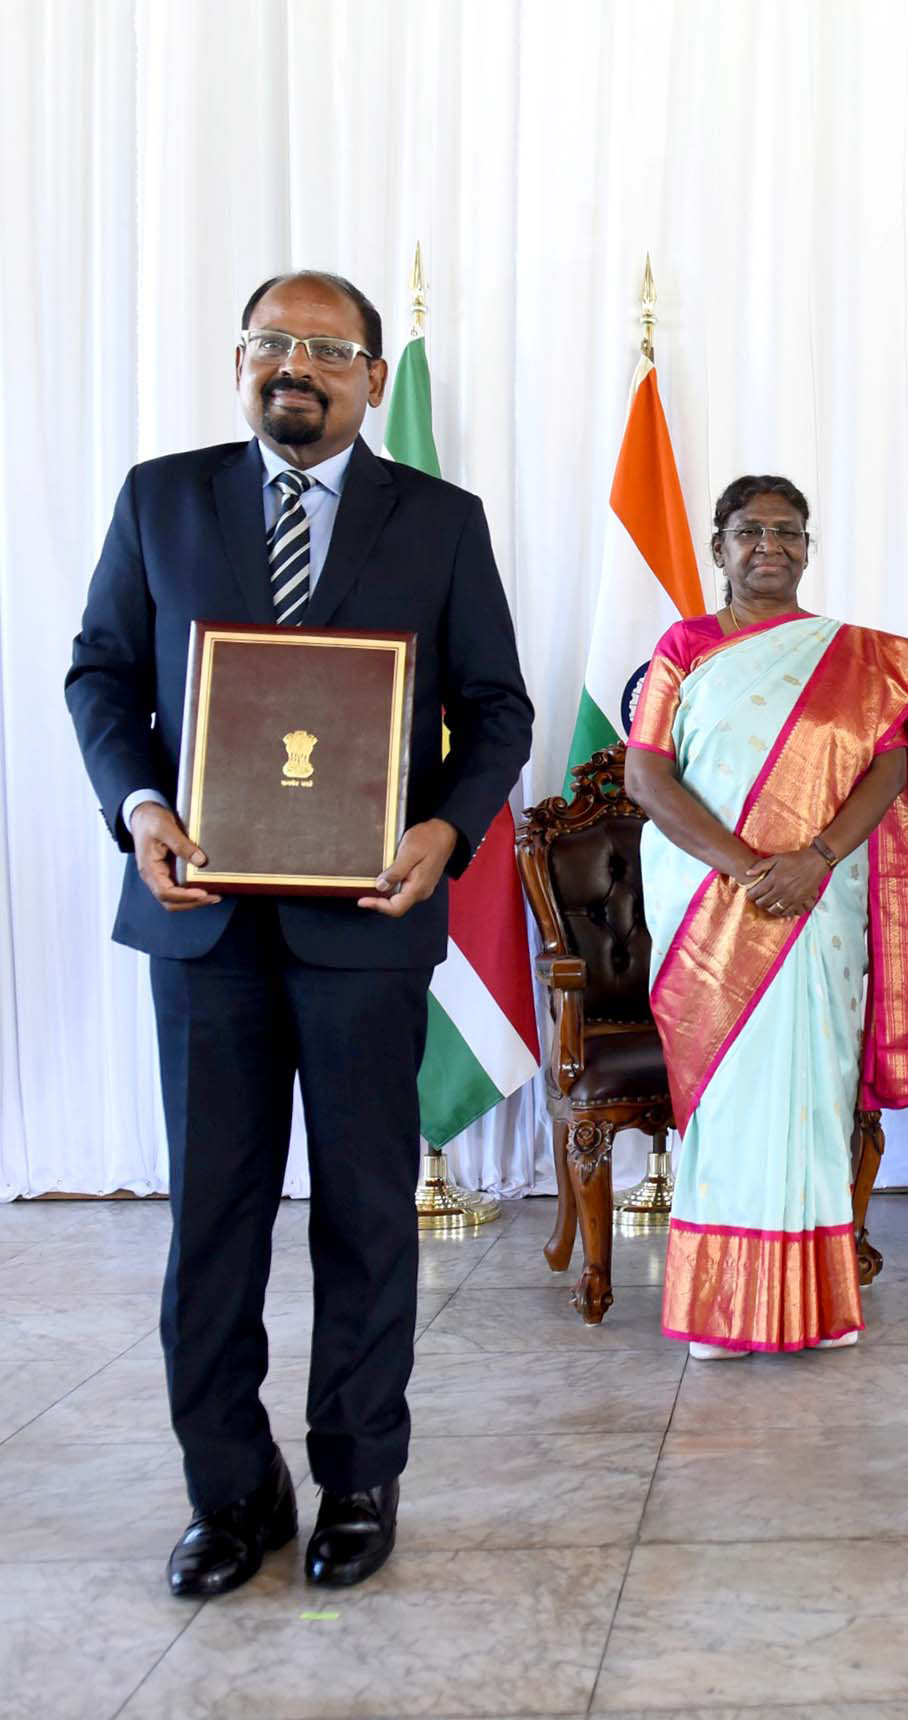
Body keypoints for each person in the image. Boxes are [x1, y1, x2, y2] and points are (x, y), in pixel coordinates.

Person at [64, 270, 534, 1592]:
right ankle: (231, 1492)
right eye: (274, 342)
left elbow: (497, 709)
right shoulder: (161, 499)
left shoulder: (440, 521)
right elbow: (100, 673)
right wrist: (140, 808)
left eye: (327, 349)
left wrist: (444, 830)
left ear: (373, 379)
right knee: (212, 1221)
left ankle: (359, 1478)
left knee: (369, 1216)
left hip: (367, 931)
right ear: (239, 362)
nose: (297, 366)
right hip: (201, 924)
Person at [624, 475, 908, 1357]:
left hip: (819, 907)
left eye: (787, 530)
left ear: (808, 547)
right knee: (729, 1101)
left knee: (813, 1098)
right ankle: (721, 1311)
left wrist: (816, 860)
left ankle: (818, 1306)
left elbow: (887, 767)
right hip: (713, 907)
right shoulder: (683, 647)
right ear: (719, 548)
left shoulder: (856, 659)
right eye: (748, 530)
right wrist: (749, 870)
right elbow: (646, 776)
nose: (769, 544)